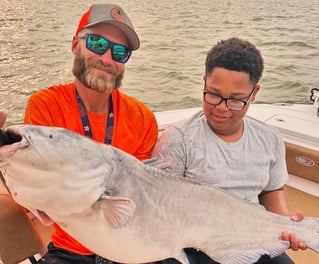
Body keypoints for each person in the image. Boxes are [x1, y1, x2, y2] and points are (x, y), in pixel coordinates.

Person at [151, 37, 307, 264]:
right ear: (204, 82)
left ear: (254, 94)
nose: (221, 108)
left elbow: (271, 191)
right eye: (213, 94)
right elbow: (162, 211)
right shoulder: (178, 139)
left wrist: (287, 224)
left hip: (253, 238)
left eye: (236, 100)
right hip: (195, 246)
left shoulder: (269, 138)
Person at [23, 3, 158, 264]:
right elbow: (46, 189)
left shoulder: (143, 119)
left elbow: (141, 200)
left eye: (120, 52)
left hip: (130, 248)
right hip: (71, 250)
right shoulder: (46, 107)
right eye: (97, 44)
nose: (107, 59)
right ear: (75, 44)